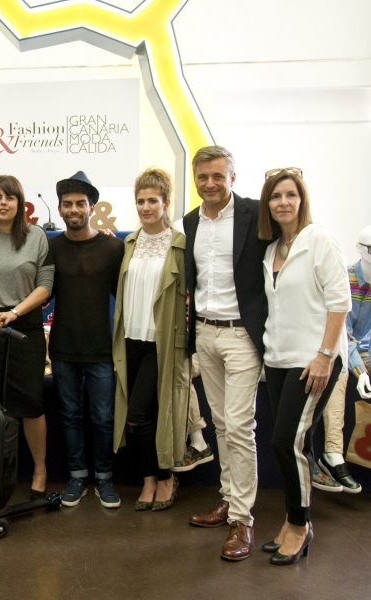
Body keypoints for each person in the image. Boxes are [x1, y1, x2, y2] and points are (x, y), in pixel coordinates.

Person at [257, 168, 350, 565]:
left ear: (302, 199)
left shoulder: (319, 239)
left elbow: (340, 301)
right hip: (279, 360)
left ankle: (299, 525)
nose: (283, 202)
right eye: (276, 196)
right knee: (296, 443)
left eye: (290, 195)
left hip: (313, 361)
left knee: (286, 441)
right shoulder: (271, 250)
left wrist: (325, 355)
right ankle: (293, 520)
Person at [183, 145, 269, 561]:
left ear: (233, 177)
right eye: (203, 177)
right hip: (205, 332)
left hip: (242, 336)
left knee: (238, 425)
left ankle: (242, 519)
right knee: (220, 423)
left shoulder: (255, 214)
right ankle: (229, 499)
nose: (211, 184)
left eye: (219, 176)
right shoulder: (191, 221)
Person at [0, 174, 54, 500]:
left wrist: (14, 313)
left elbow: (45, 285)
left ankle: (40, 470)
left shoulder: (36, 236)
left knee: (30, 402)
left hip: (25, 328)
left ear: (20, 203)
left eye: (10, 197)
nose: (3, 203)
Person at [112, 168, 189, 511]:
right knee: (137, 416)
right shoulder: (129, 243)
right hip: (129, 339)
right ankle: (148, 479)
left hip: (161, 343)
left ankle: (166, 477)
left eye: (152, 201)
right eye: (140, 201)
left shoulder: (179, 245)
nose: (145, 207)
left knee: (143, 415)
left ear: (166, 203)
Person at [46, 171, 123, 508]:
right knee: (70, 416)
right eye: (68, 204)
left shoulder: (113, 247)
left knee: (103, 417)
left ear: (92, 207)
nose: (74, 209)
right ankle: (77, 476)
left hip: (101, 349)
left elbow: (125, 297)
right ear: (60, 209)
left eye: (80, 203)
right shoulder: (50, 248)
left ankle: (104, 479)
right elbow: (42, 291)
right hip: (63, 348)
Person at [315, 224, 371, 492]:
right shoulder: (344, 278)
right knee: (339, 374)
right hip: (337, 346)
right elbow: (342, 335)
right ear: (361, 249)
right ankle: (333, 452)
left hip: (363, 349)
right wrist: (360, 369)